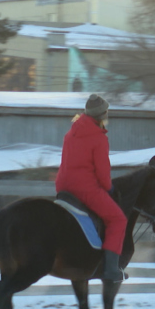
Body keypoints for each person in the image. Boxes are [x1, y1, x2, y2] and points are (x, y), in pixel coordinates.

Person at [56, 94, 127, 281]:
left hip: (63, 187)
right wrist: (110, 189)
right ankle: (111, 270)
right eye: (106, 113)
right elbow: (103, 175)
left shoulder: (71, 132)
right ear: (102, 115)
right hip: (84, 188)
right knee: (118, 219)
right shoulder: (99, 138)